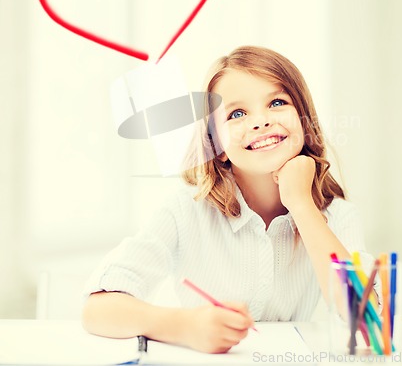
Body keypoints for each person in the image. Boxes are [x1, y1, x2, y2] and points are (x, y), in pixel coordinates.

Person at [82, 45, 375, 354]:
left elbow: (368, 321)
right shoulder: (185, 210)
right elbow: (97, 310)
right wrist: (185, 327)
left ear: (304, 121)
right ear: (216, 144)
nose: (260, 121)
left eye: (277, 102)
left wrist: (302, 205)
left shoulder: (337, 216)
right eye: (237, 113)